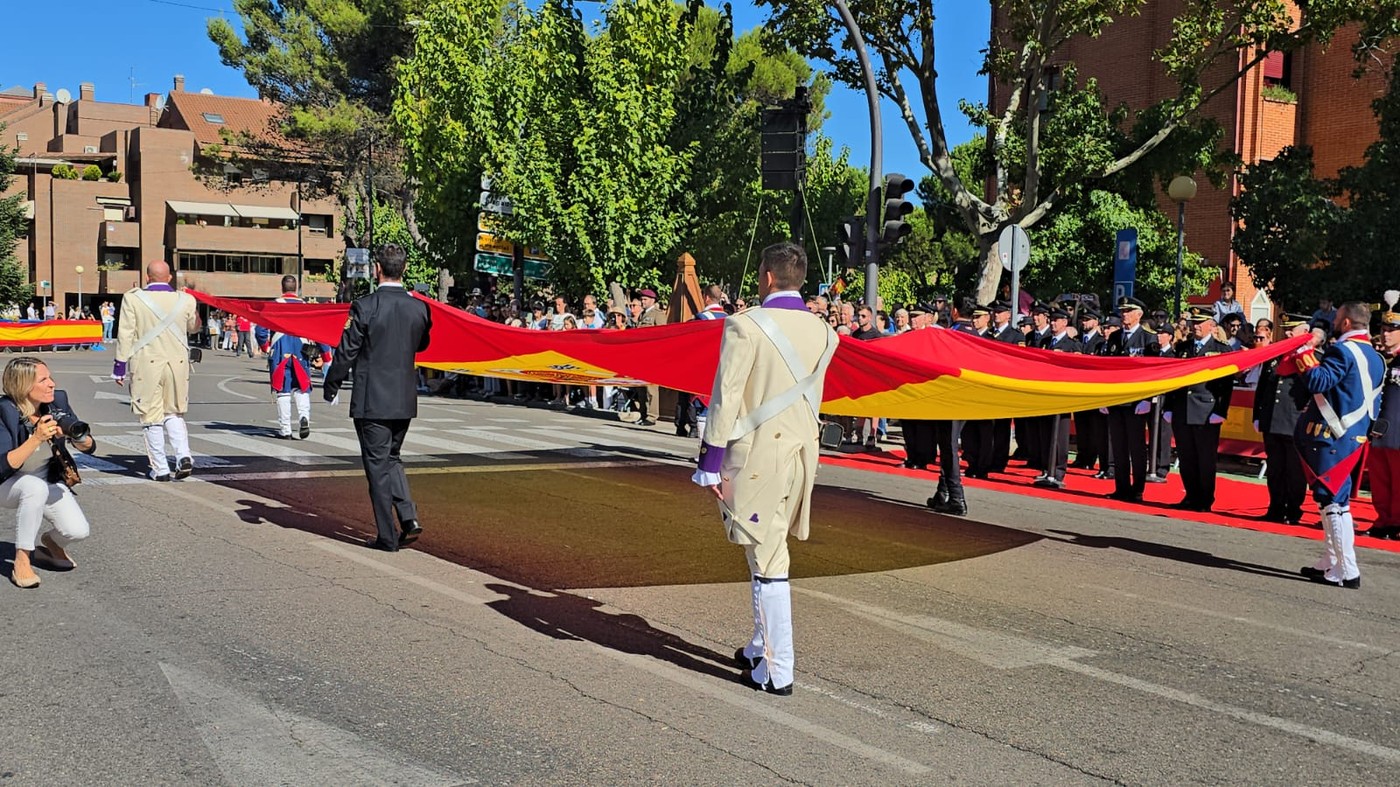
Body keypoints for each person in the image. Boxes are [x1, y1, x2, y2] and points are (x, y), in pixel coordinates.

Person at [691, 242, 837, 696]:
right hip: (802, 456)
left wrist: (709, 463)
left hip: (757, 457)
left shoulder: (745, 325)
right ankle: (760, 645)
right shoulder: (826, 332)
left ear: (767, 277)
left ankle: (778, 668)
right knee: (766, 549)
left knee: (768, 557)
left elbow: (726, 396)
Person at [324, 244, 433, 552]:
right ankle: (408, 517)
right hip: (403, 397)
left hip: (373, 398)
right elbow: (422, 343)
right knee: (392, 459)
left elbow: (347, 350)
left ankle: (387, 536)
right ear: (405, 269)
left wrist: (332, 383)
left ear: (377, 269)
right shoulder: (419, 307)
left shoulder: (365, 305)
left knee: (376, 467)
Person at [1291, 302, 1383, 588]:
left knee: (1332, 501)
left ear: (1345, 324)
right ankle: (1332, 561)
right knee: (1332, 499)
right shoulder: (1376, 356)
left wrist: (1303, 351)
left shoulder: (1342, 351)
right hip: (1352, 436)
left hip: (1333, 434)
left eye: (1337, 317)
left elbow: (1319, 380)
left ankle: (1347, 569)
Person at [0, 357, 94, 588]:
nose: (52, 383)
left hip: (47, 479)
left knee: (77, 531)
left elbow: (89, 445)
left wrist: (77, 438)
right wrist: (37, 439)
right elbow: (2, 465)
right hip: (7, 483)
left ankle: (51, 543)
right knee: (34, 487)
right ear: (23, 385)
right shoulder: (5, 411)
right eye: (43, 380)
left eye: (50, 377)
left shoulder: (57, 401)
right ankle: (22, 560)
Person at [114, 261, 200, 481]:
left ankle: (160, 468)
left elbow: (125, 334)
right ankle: (183, 455)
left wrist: (119, 366)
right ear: (169, 277)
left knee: (151, 416)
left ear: (147, 277)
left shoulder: (133, 298)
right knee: (174, 412)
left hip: (146, 364)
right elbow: (194, 327)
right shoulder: (186, 299)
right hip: (177, 365)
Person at [1164, 307, 1235, 512]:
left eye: (1200, 323)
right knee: (1186, 456)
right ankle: (1190, 496)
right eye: (1194, 322)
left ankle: (1204, 499)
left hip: (1206, 410)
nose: (1196, 326)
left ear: (1211, 326)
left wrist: (1221, 410)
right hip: (1182, 409)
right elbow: (1174, 379)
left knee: (1205, 458)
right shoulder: (1183, 347)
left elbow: (1225, 384)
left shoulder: (1221, 349)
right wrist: (1169, 406)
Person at [1253, 313, 1310, 525]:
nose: (1287, 333)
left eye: (1291, 329)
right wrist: (1258, 414)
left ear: (1304, 333)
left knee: (1294, 470)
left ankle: (1293, 509)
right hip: (1273, 420)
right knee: (1275, 467)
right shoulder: (1274, 356)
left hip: (1294, 421)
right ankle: (1275, 507)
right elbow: (1263, 388)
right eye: (1285, 328)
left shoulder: (1311, 358)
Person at [1103, 297, 1161, 502]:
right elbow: (1107, 370)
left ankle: (1137, 489)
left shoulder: (1148, 339)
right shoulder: (1115, 337)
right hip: (1117, 399)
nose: (1124, 314)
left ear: (1139, 314)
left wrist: (1148, 399)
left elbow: (1153, 372)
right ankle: (1121, 487)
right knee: (1118, 447)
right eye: (1122, 311)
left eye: (1128, 311)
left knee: (1136, 447)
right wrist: (1104, 398)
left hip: (1137, 401)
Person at [257, 276, 329, 440]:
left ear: (282, 288)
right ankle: (304, 417)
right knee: (302, 387)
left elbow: (260, 331)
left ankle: (286, 429)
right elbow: (319, 331)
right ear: (296, 288)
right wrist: (325, 355)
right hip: (301, 351)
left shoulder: (273, 305)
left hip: (280, 351)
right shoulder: (305, 307)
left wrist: (266, 347)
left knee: (283, 391)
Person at [1367, 307, 1400, 539]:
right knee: (1379, 479)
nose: (1386, 334)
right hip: (1378, 428)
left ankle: (1396, 522)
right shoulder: (1377, 357)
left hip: (1398, 430)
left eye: (1392, 330)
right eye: (1384, 329)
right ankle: (1383, 520)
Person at [634, 288, 667, 426]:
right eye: (641, 299)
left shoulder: (657, 315)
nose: (642, 302)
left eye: (645, 299)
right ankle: (643, 413)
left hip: (652, 355)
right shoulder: (642, 315)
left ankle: (652, 416)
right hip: (641, 355)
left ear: (653, 300)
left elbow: (662, 334)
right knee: (641, 387)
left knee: (651, 388)